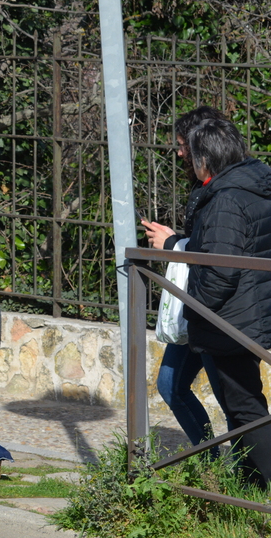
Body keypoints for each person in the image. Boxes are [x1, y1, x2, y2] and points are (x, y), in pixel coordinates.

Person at [178, 118, 271, 486]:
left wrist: (191, 303)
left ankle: (262, 489)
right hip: (253, 310)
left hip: (233, 319)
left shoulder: (227, 199)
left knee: (246, 407)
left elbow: (219, 272)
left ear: (206, 158)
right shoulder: (256, 185)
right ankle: (249, 484)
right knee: (247, 403)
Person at [142, 106, 226, 448]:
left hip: (215, 309)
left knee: (233, 402)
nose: (177, 152)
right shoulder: (202, 186)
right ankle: (208, 459)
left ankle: (250, 477)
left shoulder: (224, 190)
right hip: (195, 305)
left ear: (199, 144)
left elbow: (219, 252)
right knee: (170, 385)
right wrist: (176, 240)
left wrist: (174, 243)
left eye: (181, 145)